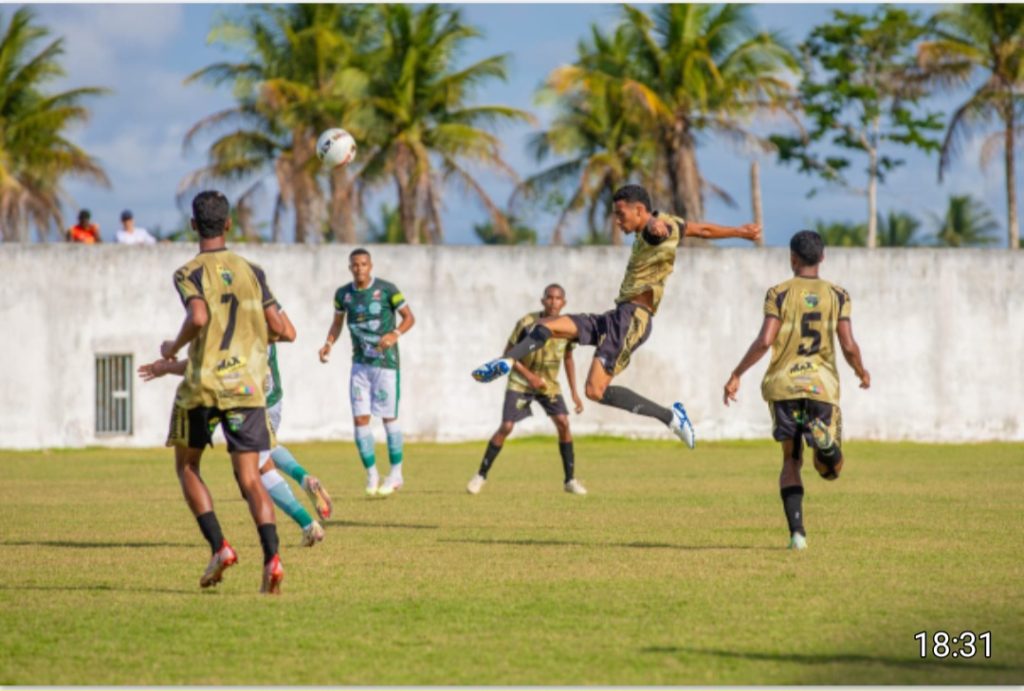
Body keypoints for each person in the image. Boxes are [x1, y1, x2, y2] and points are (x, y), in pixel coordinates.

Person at [472, 184, 761, 447]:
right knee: (545, 325)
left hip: (633, 321)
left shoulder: (657, 228)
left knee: (594, 391)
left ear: (638, 210)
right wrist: (740, 232)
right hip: (616, 316)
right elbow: (702, 231)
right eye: (614, 214)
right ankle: (507, 361)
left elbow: (658, 229)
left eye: (621, 214)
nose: (617, 220)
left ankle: (670, 417)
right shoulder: (662, 222)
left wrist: (655, 225)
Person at [160, 189, 293, 594]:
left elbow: (198, 316)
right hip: (247, 388)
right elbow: (285, 330)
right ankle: (272, 557)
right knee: (251, 478)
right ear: (229, 224)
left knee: (188, 467)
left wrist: (174, 347)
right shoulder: (253, 270)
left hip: (203, 386)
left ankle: (220, 547)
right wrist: (254, 339)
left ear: (194, 225)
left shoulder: (189, 272)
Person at [722, 230, 870, 550]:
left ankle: (798, 535)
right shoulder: (839, 294)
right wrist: (861, 370)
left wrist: (737, 373)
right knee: (829, 471)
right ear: (823, 257)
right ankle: (825, 445)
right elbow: (847, 344)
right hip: (822, 387)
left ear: (792, 258)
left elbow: (764, 341)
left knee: (791, 461)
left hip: (784, 385)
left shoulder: (778, 293)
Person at [139, 328, 334, 548]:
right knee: (266, 451)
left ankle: (307, 526)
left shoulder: (229, 313)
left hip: (248, 400)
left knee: (252, 475)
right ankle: (304, 479)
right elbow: (287, 331)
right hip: (270, 395)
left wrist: (166, 366)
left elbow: (207, 364)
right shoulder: (260, 301)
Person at [467, 284, 586, 495]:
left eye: (558, 298)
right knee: (506, 426)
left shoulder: (568, 327)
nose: (553, 302)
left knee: (564, 423)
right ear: (542, 301)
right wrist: (530, 376)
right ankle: (480, 475)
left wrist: (575, 393)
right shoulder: (527, 323)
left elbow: (568, 358)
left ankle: (570, 480)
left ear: (564, 303)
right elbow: (508, 354)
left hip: (548, 384)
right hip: (521, 381)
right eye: (549, 297)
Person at [319, 248, 415, 497]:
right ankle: (372, 473)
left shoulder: (387, 290)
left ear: (370, 266)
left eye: (363, 264)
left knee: (388, 418)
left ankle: (396, 473)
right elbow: (337, 323)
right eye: (355, 265)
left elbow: (408, 318)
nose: (359, 268)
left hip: (386, 365)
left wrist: (395, 334)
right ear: (350, 267)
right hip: (360, 365)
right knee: (360, 419)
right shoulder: (343, 295)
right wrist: (328, 344)